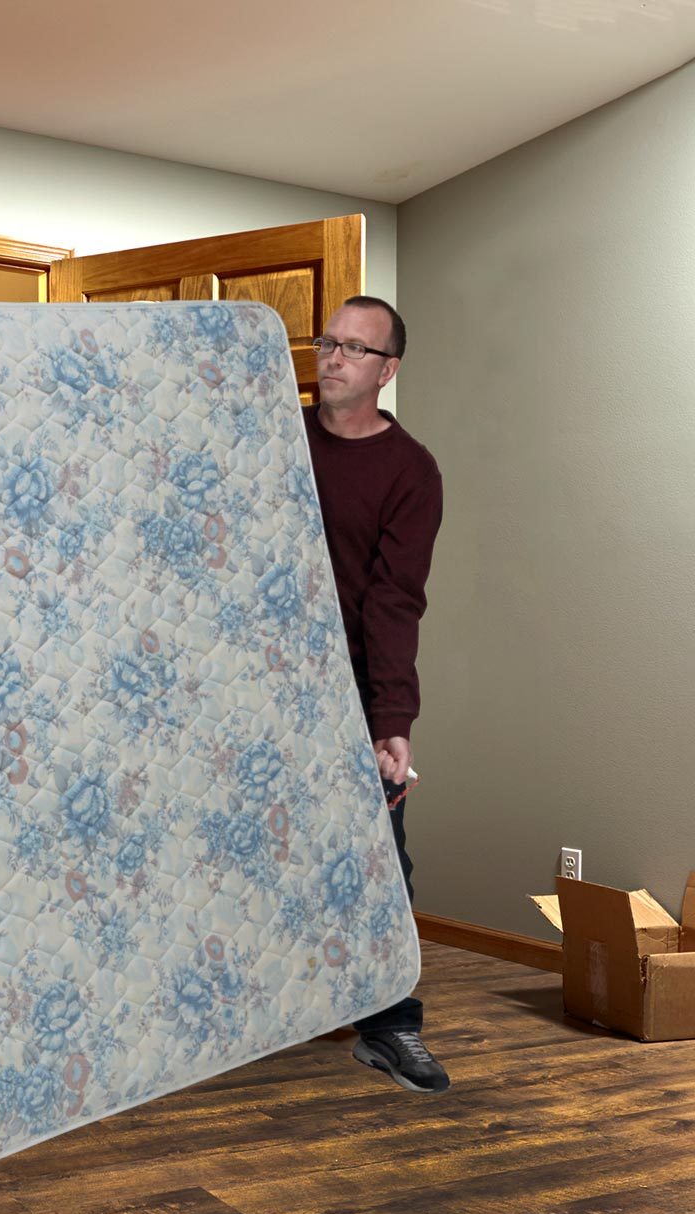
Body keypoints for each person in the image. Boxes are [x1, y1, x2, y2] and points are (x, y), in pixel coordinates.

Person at [305, 294, 449, 1094]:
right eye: (328, 341)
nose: (333, 357)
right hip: (249, 679)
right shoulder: (271, 437)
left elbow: (396, 599)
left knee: (378, 859)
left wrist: (390, 722)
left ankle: (390, 1025)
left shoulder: (410, 471)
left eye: (355, 349)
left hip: (350, 688)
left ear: (387, 370)